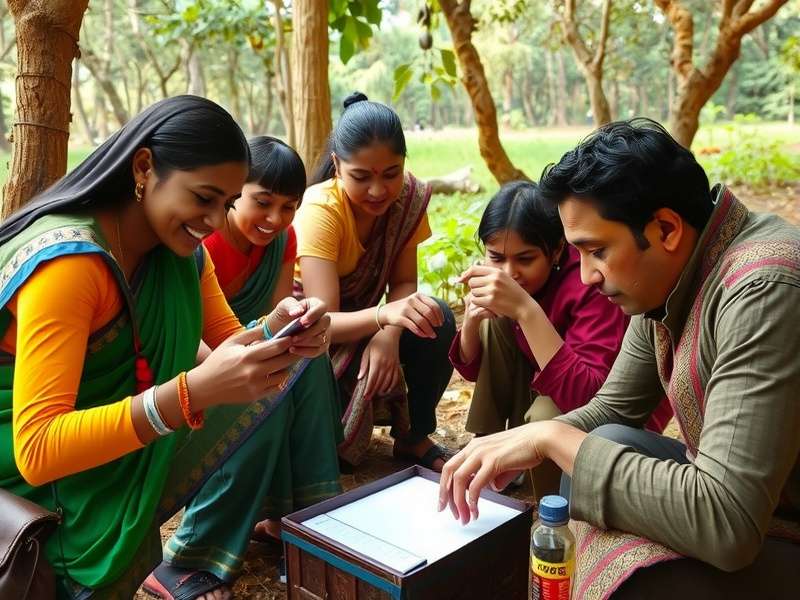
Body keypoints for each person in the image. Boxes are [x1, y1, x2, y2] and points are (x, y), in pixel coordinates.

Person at [439, 118, 800, 598]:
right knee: (599, 445)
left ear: (666, 228)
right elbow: (612, 409)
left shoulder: (762, 289)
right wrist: (523, 439)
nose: (586, 275)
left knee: (638, 578)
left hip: (769, 517)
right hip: (755, 502)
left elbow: (727, 523)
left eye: (598, 251)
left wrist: (550, 437)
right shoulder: (668, 276)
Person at [0, 96, 331, 600]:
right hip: (28, 472)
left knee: (298, 372)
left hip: (113, 430)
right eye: (204, 198)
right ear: (143, 167)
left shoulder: (180, 254)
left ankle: (293, 528)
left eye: (226, 203)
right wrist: (189, 395)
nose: (217, 221)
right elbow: (39, 449)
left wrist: (283, 331)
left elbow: (227, 344)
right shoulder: (70, 266)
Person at [145, 136, 343, 595]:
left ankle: (299, 517)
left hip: (233, 348)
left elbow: (270, 314)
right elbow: (184, 332)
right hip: (189, 371)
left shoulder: (282, 240)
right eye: (262, 202)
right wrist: (232, 372)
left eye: (289, 207)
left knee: (305, 360)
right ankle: (189, 555)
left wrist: (296, 326)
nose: (275, 219)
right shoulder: (199, 239)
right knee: (264, 390)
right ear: (235, 195)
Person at [450, 181, 671, 498]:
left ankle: (554, 499)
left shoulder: (588, 284)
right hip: (550, 378)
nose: (509, 272)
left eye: (525, 259)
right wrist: (472, 320)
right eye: (496, 257)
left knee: (545, 416)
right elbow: (472, 370)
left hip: (609, 415)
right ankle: (488, 446)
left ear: (556, 250)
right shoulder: (508, 281)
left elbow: (593, 399)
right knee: (494, 321)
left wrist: (527, 311)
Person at [293, 92, 456, 471]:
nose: (379, 191)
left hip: (369, 325)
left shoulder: (409, 199)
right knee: (326, 452)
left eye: (391, 173)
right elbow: (323, 322)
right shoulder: (320, 209)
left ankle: (412, 436)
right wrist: (383, 320)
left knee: (435, 317)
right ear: (337, 165)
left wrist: (389, 336)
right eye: (361, 177)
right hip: (314, 342)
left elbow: (404, 283)